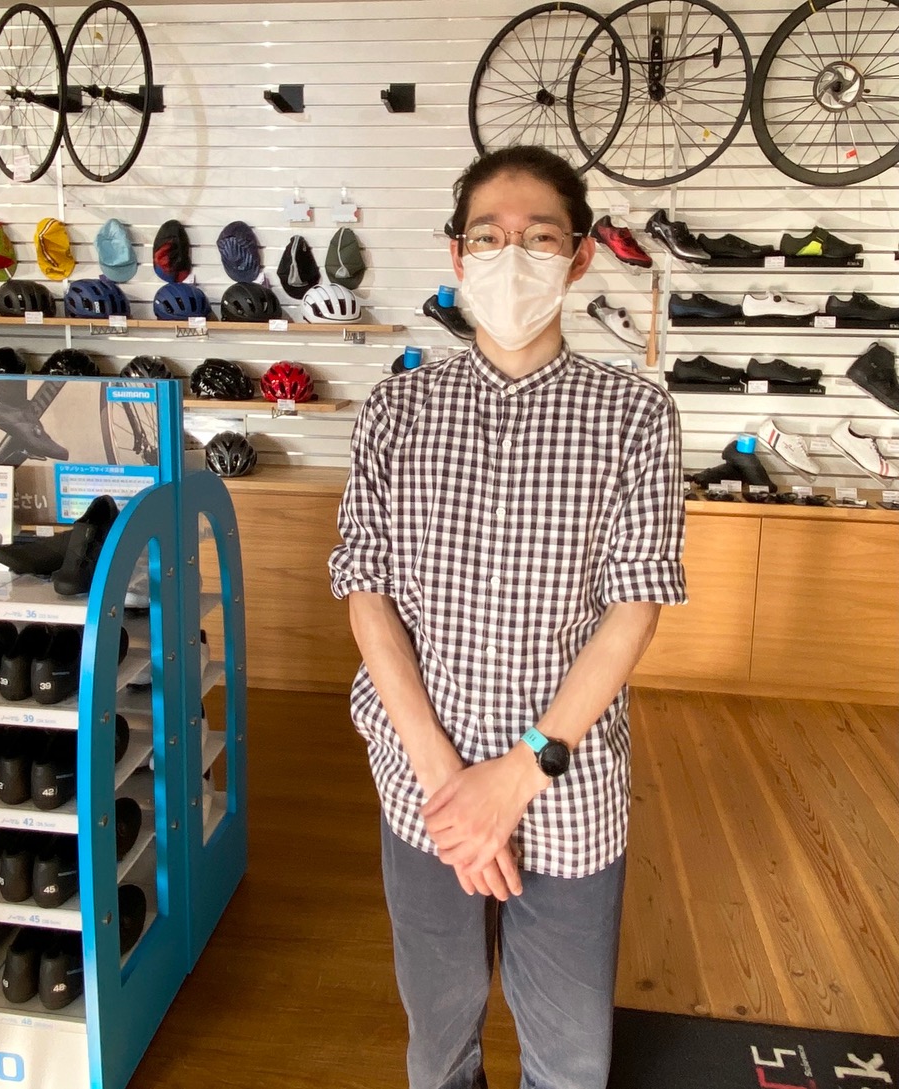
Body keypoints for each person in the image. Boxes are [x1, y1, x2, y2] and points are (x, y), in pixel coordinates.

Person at [328, 145, 686, 1089]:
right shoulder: (397, 409)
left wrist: (520, 774)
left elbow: (634, 608)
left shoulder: (634, 415)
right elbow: (367, 594)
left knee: (570, 1057)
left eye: (540, 238)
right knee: (438, 1037)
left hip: (567, 790)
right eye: (488, 237)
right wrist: (451, 785)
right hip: (425, 789)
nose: (511, 255)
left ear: (579, 257)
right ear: (457, 255)